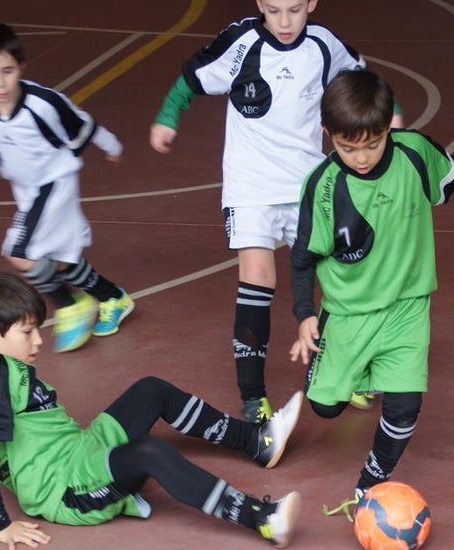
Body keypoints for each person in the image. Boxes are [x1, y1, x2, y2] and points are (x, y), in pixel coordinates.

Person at [0, 271, 304, 550]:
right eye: (27, 332)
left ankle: (256, 441)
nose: (37, 342)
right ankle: (259, 518)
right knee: (150, 451)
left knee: (151, 390)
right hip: (66, 488)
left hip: (80, 450)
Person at [149, 0, 402, 424]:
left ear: (311, 4)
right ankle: (253, 394)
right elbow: (191, 78)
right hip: (251, 187)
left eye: (294, 9)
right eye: (274, 10)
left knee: (341, 277)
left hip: (308, 182)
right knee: (257, 281)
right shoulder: (241, 42)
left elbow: (362, 78)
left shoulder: (323, 45)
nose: (284, 22)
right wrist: (167, 117)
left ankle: (348, 371)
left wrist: (391, 113)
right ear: (259, 5)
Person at [289, 69, 454, 518]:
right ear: (327, 135)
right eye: (346, 147)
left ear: (388, 129)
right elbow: (302, 258)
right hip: (347, 312)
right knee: (324, 407)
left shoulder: (415, 154)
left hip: (407, 306)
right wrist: (304, 315)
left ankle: (370, 484)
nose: (360, 158)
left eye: (372, 144)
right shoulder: (321, 188)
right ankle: (354, 376)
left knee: (404, 406)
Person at [0, 21, 134, 354]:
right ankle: (112, 298)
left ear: (21, 66)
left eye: (7, 71)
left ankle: (68, 305)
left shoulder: (42, 103)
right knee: (58, 257)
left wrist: (112, 146)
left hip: (54, 181)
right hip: (25, 187)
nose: (0, 82)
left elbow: (82, 123)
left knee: (18, 252)